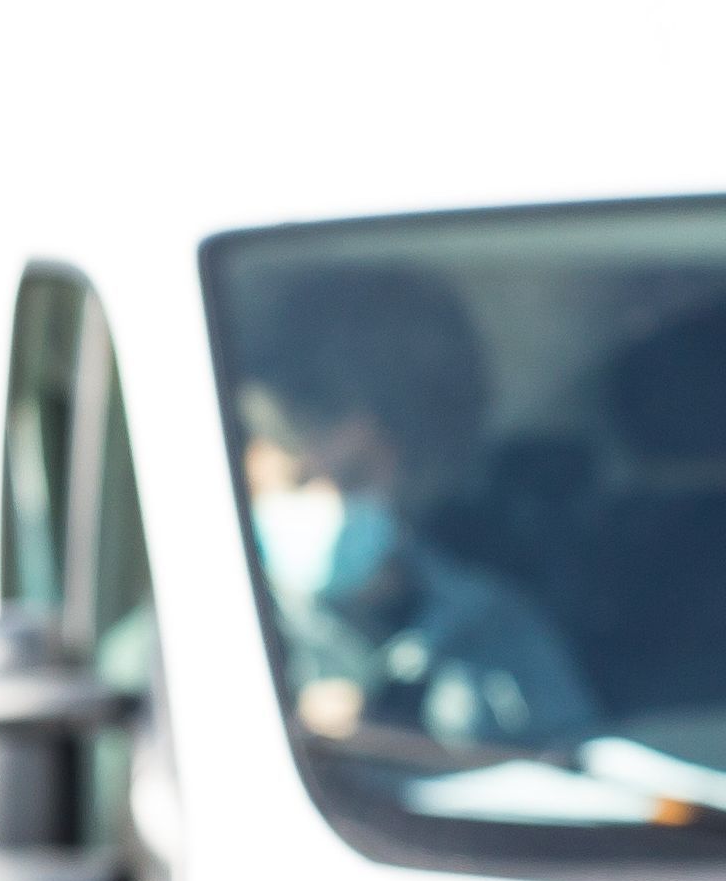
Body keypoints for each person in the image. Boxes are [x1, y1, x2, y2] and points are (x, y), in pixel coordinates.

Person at [233, 264, 596, 753]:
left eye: (355, 476)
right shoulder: (192, 637)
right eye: (298, 481)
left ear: (410, 468)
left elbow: (577, 774)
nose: (330, 506)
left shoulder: (498, 630)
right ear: (249, 476)